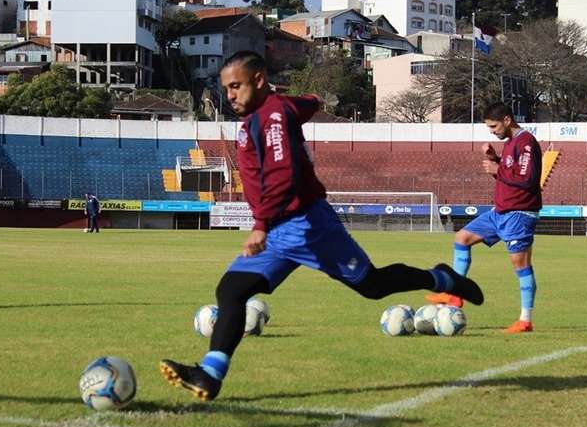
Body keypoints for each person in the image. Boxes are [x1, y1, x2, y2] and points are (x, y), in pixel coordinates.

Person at [159, 51, 485, 401]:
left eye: (236, 86)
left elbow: (285, 174)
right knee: (231, 291)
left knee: (372, 286)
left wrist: (260, 225)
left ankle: (440, 278)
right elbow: (303, 105)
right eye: (226, 89)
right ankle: (210, 375)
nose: (231, 95)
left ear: (258, 80)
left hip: (306, 226)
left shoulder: (270, 118)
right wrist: (313, 99)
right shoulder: (273, 110)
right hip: (282, 229)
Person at [426, 102, 542, 334]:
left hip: (519, 213)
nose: (492, 131)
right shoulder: (510, 144)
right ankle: (455, 296)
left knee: (520, 265)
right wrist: (497, 161)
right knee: (462, 238)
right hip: (499, 212)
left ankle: (525, 320)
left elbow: (527, 179)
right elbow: (510, 178)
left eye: (494, 126)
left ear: (507, 120)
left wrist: (497, 169)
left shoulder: (526, 142)